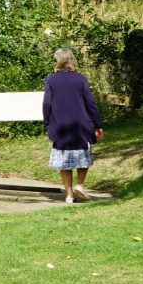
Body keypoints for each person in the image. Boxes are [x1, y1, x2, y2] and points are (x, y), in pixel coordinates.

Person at [43, 47, 103, 203]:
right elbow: (90, 103)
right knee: (83, 155)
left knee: (64, 159)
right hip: (81, 124)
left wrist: (47, 123)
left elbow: (47, 103)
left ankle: (69, 194)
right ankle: (80, 185)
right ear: (72, 60)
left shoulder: (51, 79)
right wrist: (98, 124)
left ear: (57, 61)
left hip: (60, 125)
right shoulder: (80, 79)